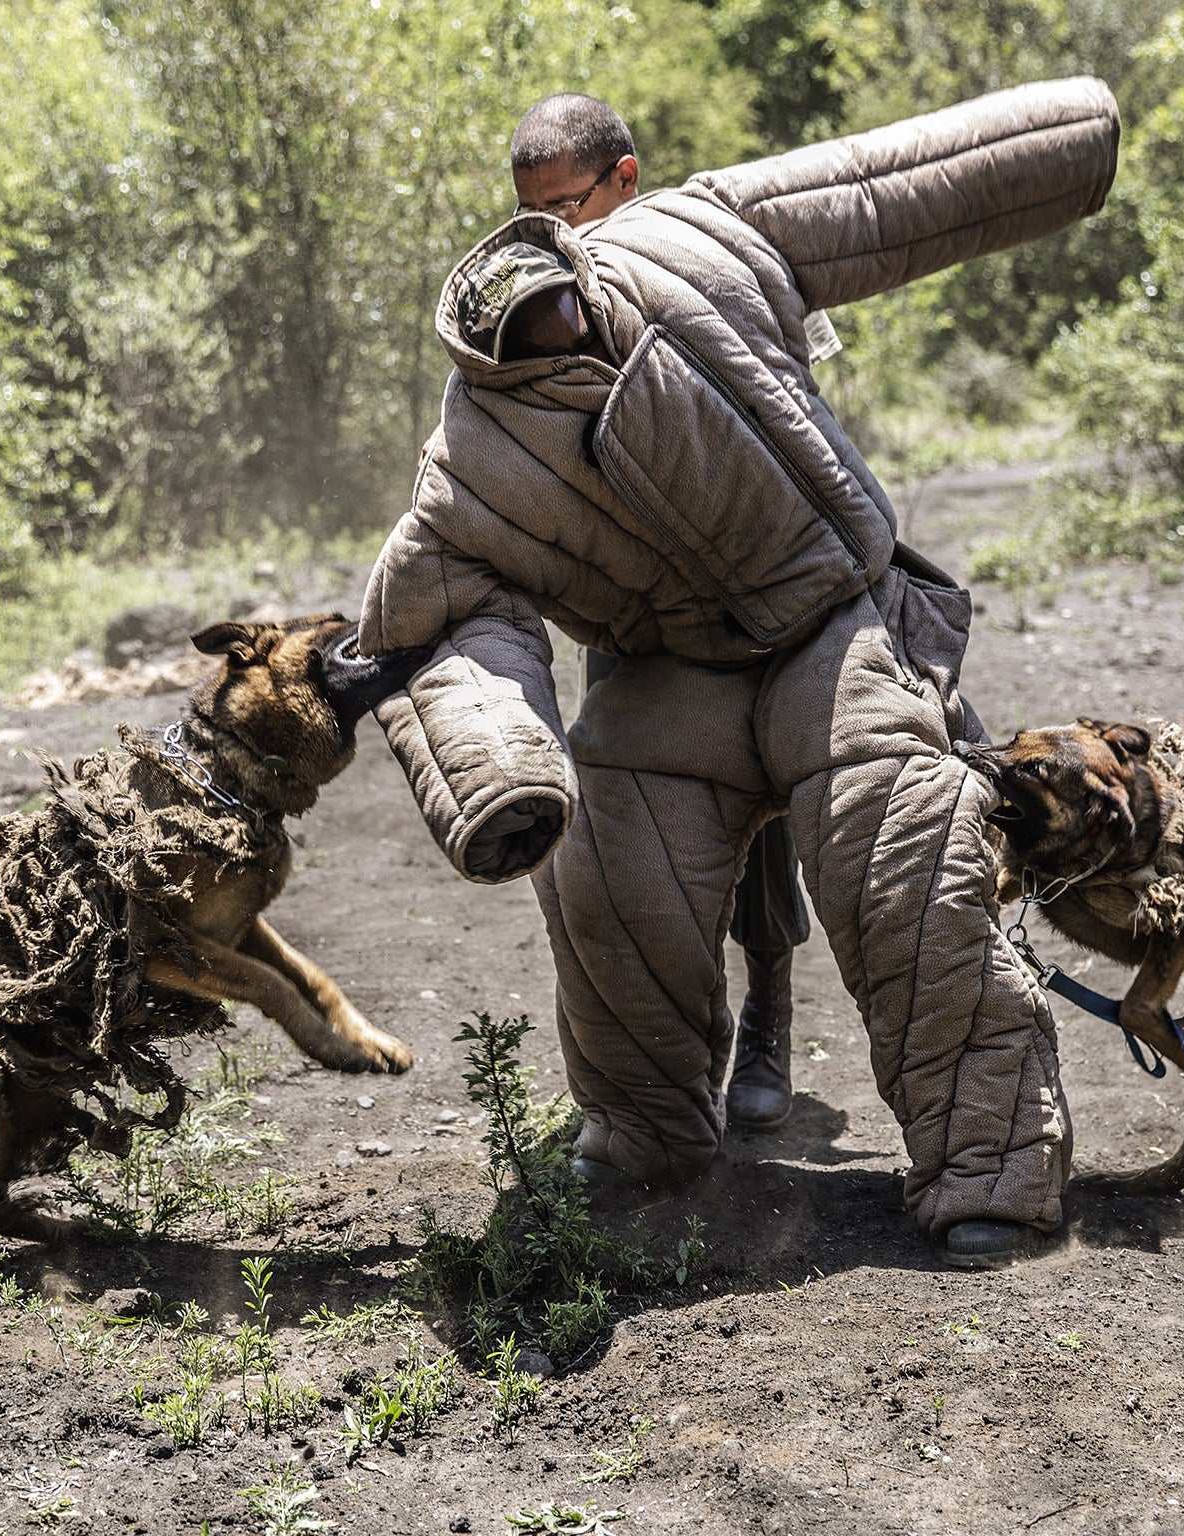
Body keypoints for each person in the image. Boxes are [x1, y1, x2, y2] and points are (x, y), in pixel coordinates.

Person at [359, 79, 1121, 1266]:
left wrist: (1069, 140)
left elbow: (875, 193)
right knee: (605, 873)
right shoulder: (472, 458)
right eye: (543, 337)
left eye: (573, 303)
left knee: (903, 853)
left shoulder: (689, 239)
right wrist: (496, 769)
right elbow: (444, 617)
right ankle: (643, 1139)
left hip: (839, 622)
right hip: (667, 675)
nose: (574, 326)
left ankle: (987, 1165)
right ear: (497, 355)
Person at [506, 93, 812, 1131]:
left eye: (566, 203)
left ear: (624, 180)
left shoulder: (706, 257)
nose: (553, 228)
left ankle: (768, 1011)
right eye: (532, 211)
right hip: (623, 609)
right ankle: (677, 1051)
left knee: (759, 810)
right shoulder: (538, 288)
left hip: (742, 584)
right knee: (623, 821)